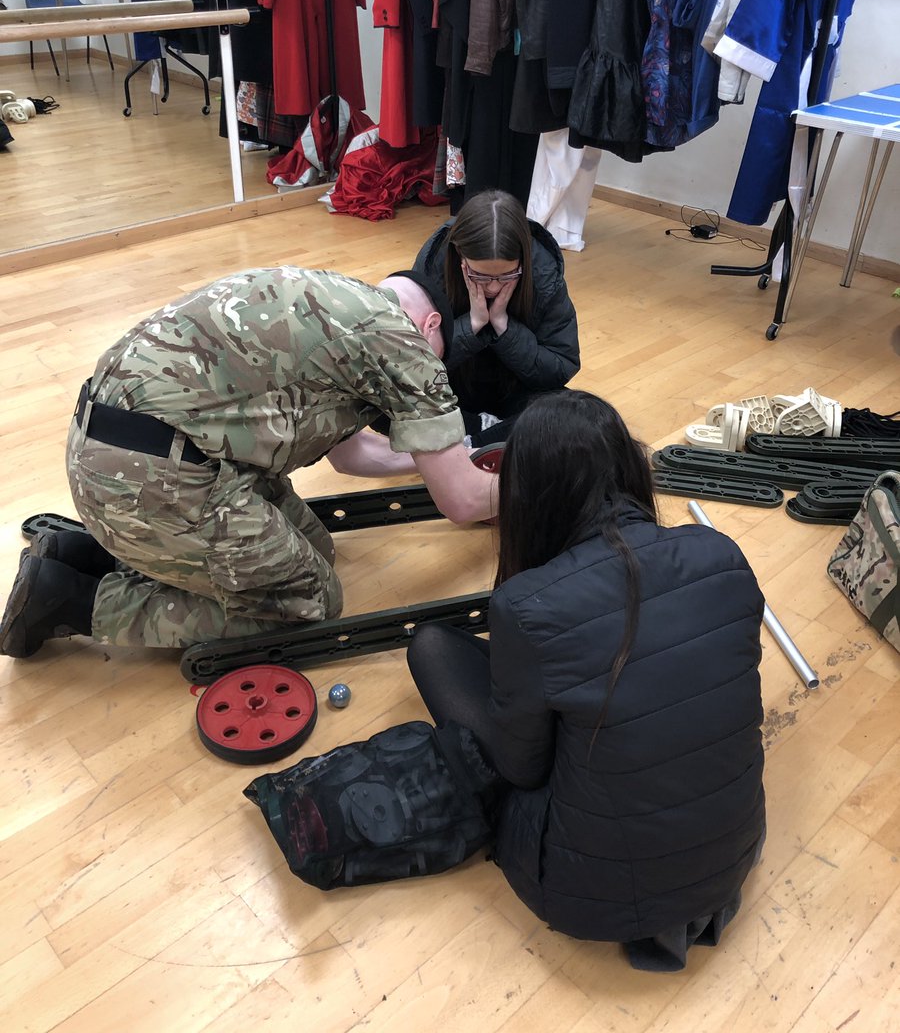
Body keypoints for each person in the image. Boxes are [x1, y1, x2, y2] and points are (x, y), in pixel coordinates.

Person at [407, 390, 766, 970]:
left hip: (592, 894)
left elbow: (523, 768)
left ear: (526, 491)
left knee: (433, 646)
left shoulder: (527, 606)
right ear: (629, 466)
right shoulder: (721, 552)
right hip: (734, 849)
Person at [1, 266, 498, 659]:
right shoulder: (405, 345)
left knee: (314, 551)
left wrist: (440, 461)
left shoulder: (338, 297)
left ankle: (84, 554)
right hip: (153, 480)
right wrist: (525, 483)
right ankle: (72, 599)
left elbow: (350, 456)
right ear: (431, 326)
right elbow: (462, 502)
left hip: (106, 447)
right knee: (308, 602)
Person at [413, 189, 579, 446]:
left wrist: (504, 326)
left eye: (505, 276)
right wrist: (473, 324)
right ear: (460, 256)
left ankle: (470, 443)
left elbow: (561, 366)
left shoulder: (543, 274)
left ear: (522, 258)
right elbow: (415, 363)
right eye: (480, 276)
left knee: (570, 413)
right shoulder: (434, 268)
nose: (492, 288)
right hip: (452, 392)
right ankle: (489, 435)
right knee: (380, 402)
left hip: (516, 390)